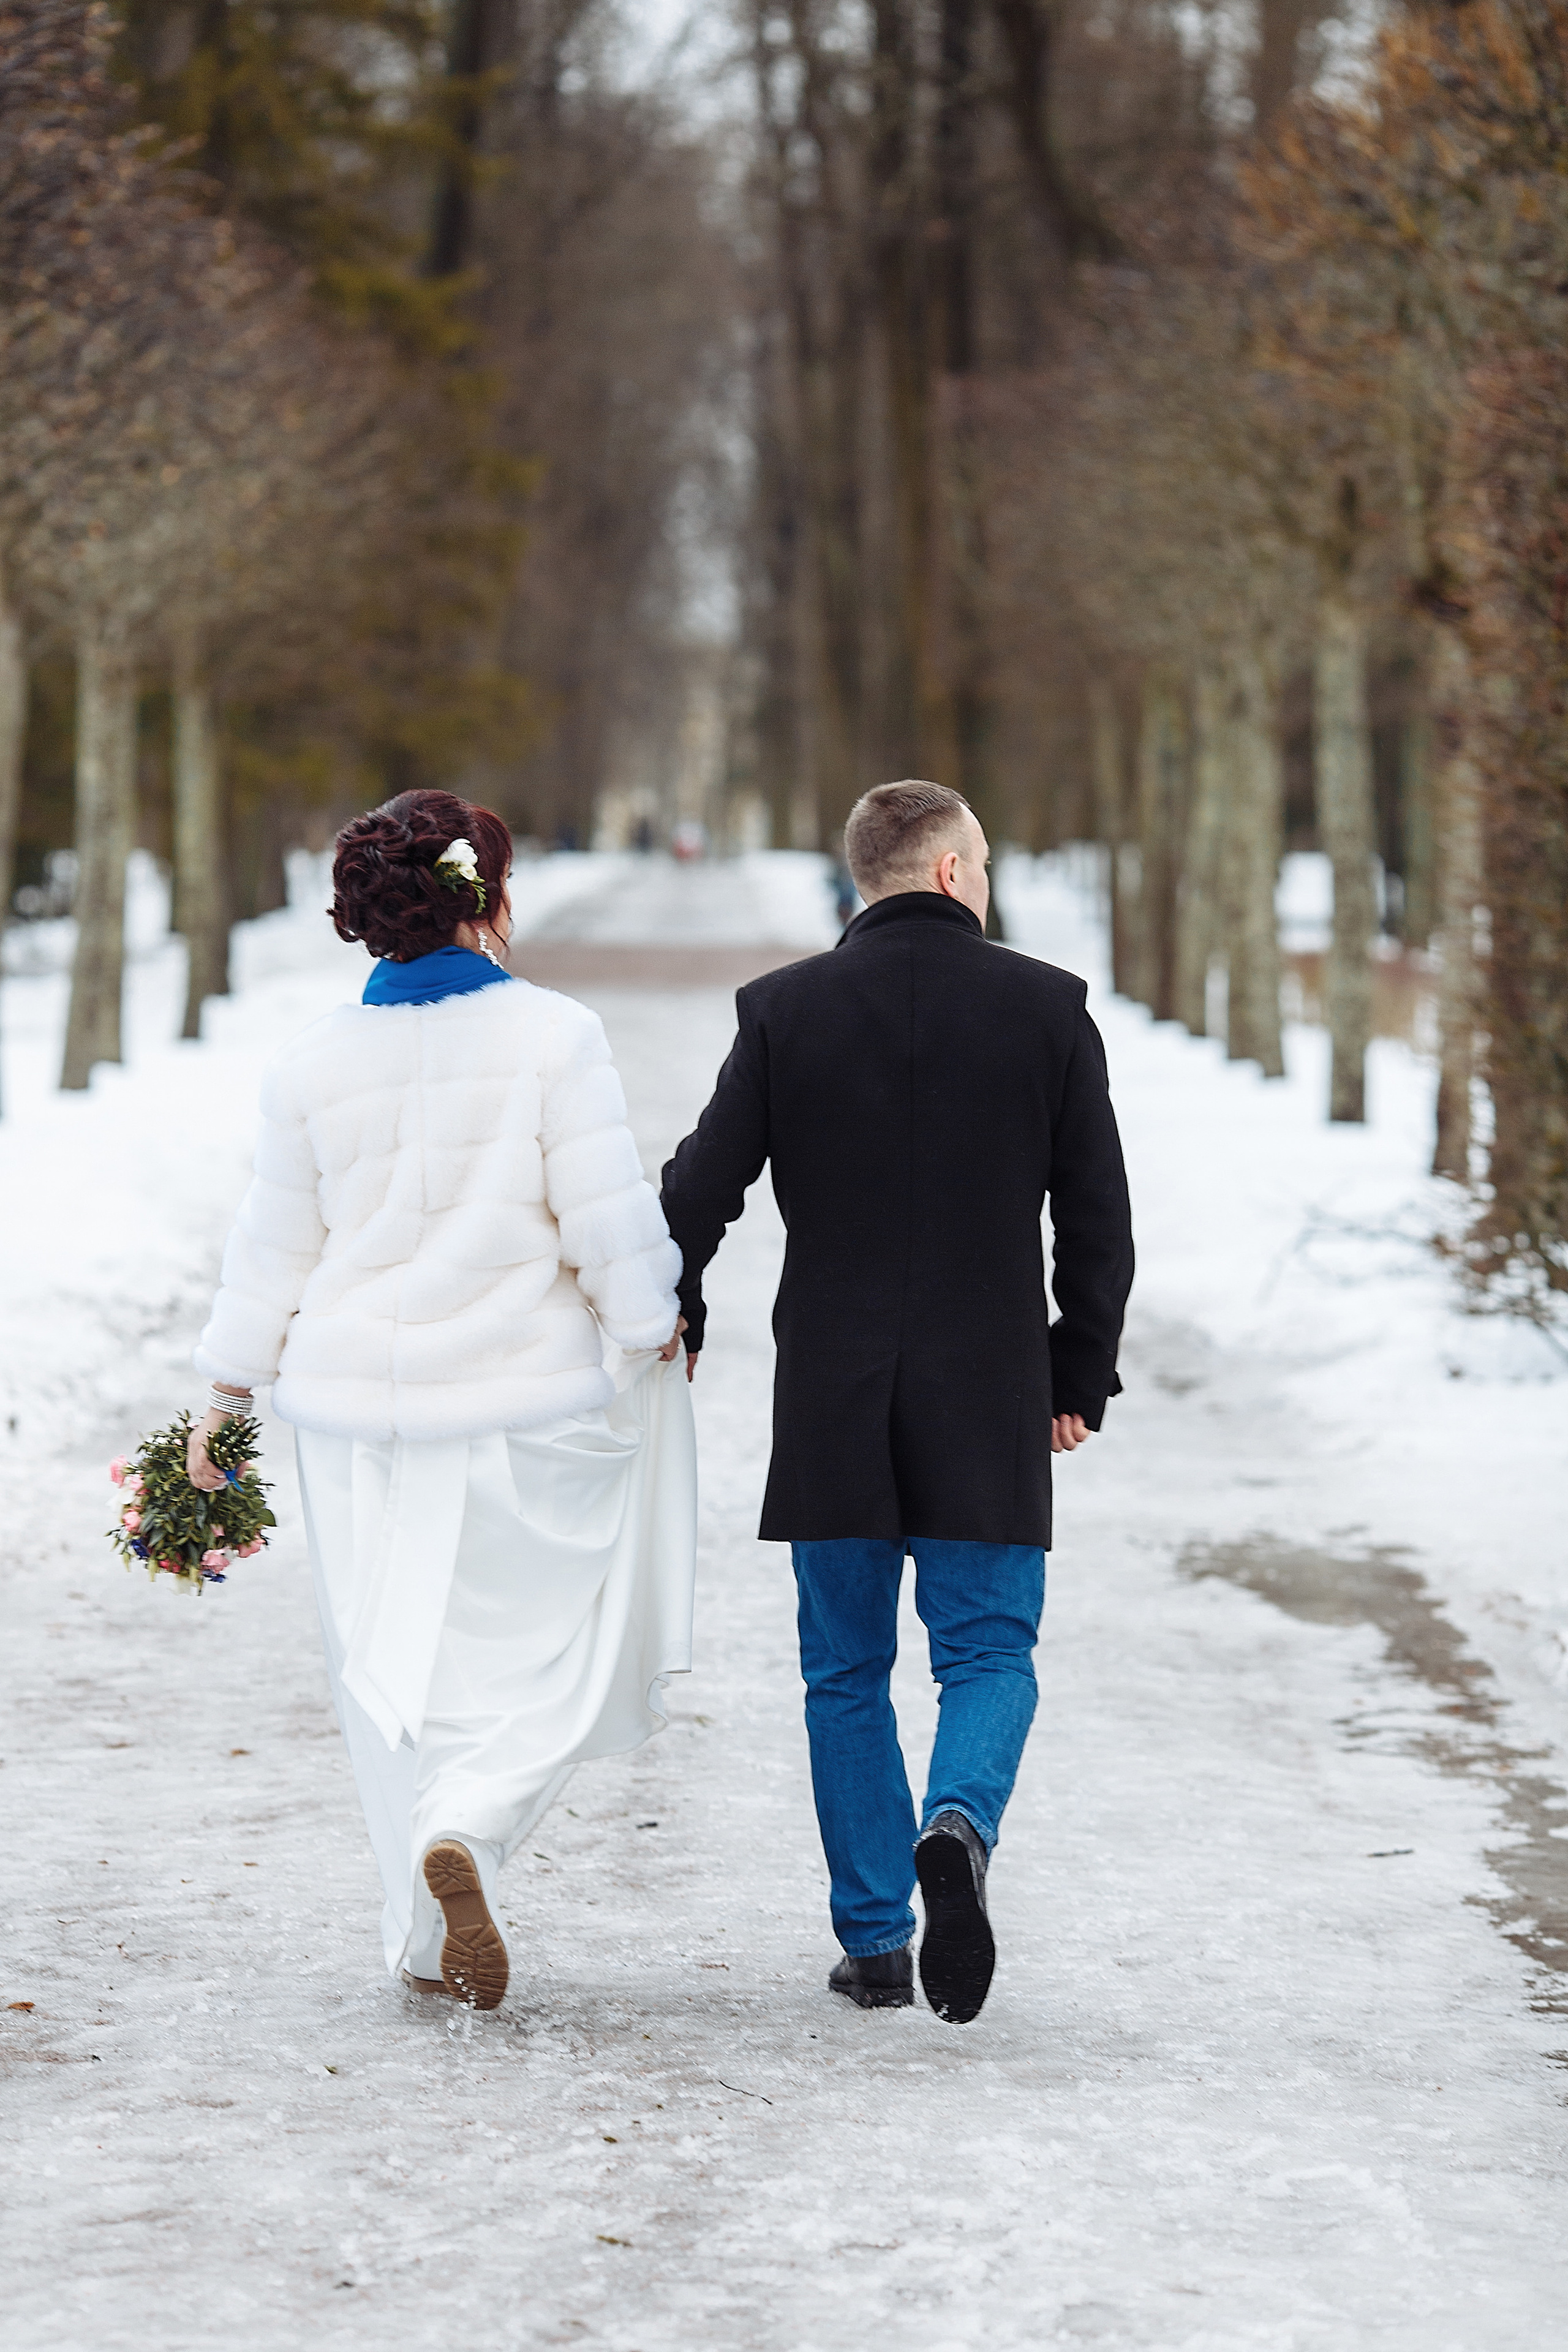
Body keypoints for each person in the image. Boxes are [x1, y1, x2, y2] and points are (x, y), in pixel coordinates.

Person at [186, 788, 695, 2010]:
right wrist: (649, 1326)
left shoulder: (310, 1065)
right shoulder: (554, 1039)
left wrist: (222, 1394)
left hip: (350, 1418)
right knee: (545, 1653)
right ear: (487, 898)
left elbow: (272, 1246)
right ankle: (471, 1820)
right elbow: (608, 1222)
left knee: (387, 1665)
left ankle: (421, 1931)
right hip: (518, 1402)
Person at [660, 778, 1133, 2024]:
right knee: (986, 1651)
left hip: (832, 1390)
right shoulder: (1048, 1012)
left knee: (844, 1671)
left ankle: (875, 1941)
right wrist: (1075, 1368)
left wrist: (681, 1300)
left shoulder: (782, 1013)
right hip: (988, 1389)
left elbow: (696, 1188)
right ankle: (958, 1825)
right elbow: (1095, 1222)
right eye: (978, 859)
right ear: (946, 874)